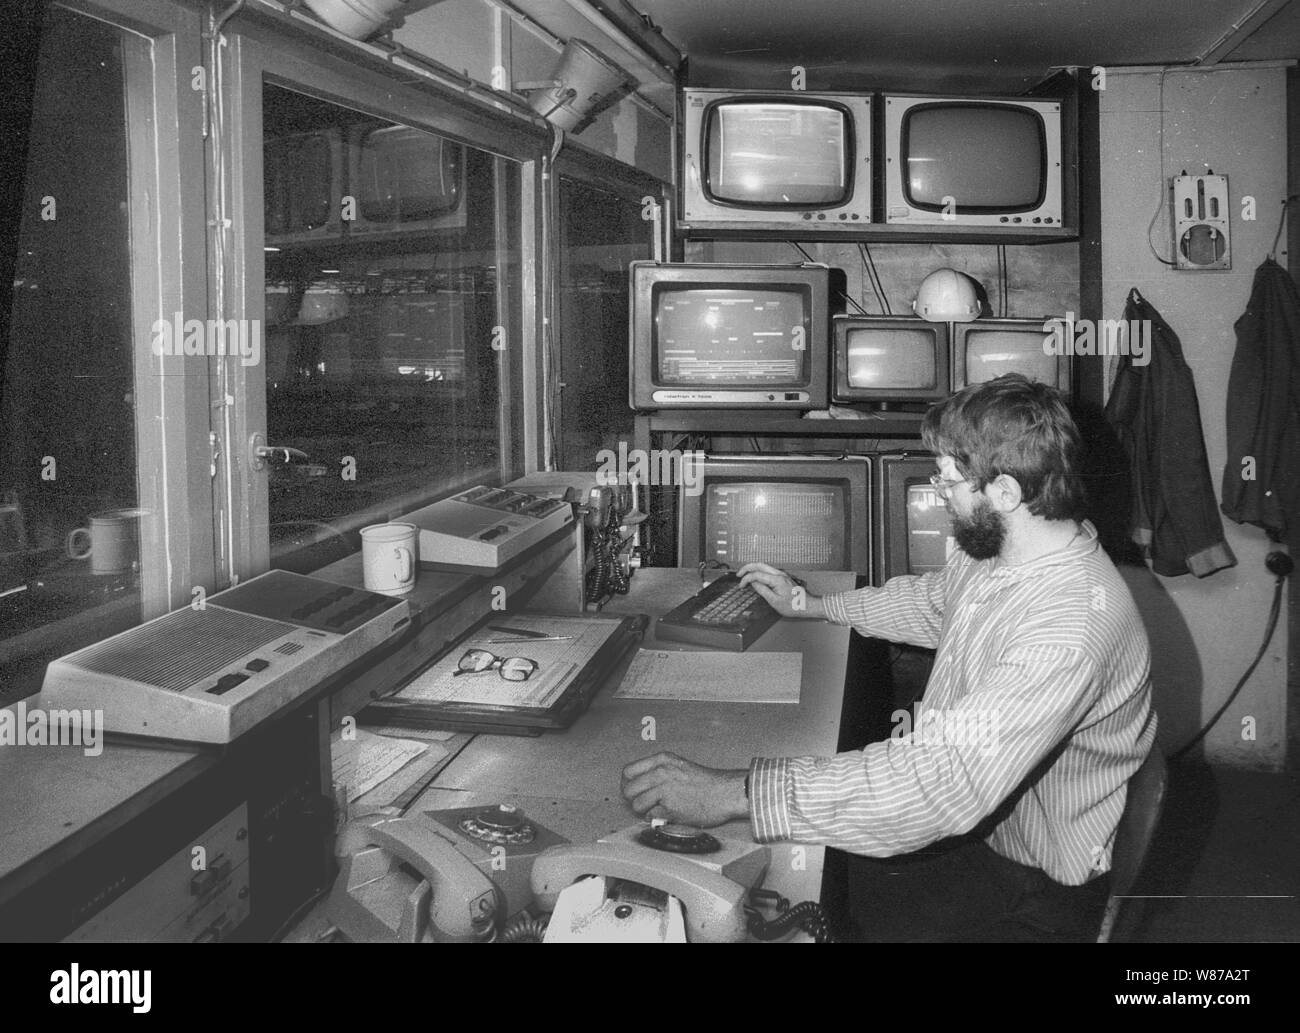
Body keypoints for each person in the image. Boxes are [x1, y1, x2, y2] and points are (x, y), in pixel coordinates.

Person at [620, 373, 1157, 942]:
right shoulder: (1012, 547)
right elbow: (935, 603)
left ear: (1005, 492)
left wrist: (733, 793)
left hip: (1039, 885)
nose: (939, 492)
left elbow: (939, 780)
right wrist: (817, 605)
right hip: (995, 827)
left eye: (948, 478)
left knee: (796, 903)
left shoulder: (1068, 628)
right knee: (814, 875)